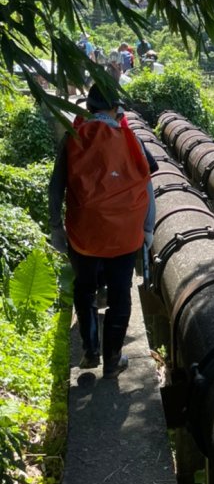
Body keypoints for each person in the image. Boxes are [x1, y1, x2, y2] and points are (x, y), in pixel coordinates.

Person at [49, 85, 156, 378]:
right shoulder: (129, 137)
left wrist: (56, 227)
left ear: (90, 107)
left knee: (85, 289)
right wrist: (148, 229)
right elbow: (148, 180)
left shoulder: (74, 137)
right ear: (115, 109)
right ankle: (113, 359)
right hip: (124, 234)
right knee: (121, 293)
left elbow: (56, 186)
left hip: (84, 233)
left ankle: (89, 351)